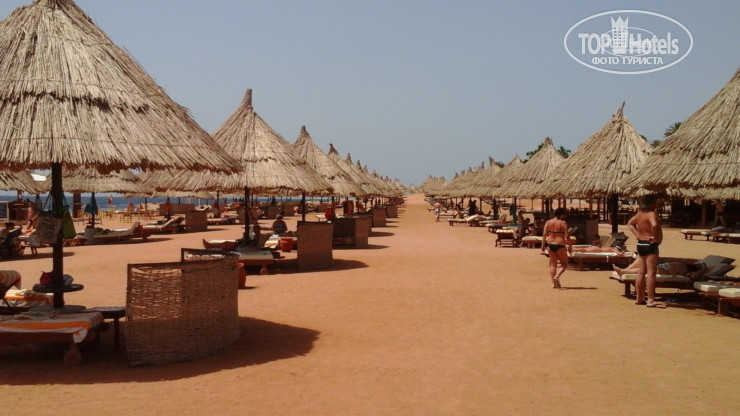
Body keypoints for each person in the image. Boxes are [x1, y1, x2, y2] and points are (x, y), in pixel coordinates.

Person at [627, 194, 665, 308]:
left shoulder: (640, 214)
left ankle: (639, 298)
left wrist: (638, 235)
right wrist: (654, 236)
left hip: (640, 244)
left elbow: (630, 223)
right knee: (651, 273)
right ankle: (650, 300)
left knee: (641, 272)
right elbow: (654, 224)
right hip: (649, 244)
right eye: (656, 201)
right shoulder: (651, 213)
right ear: (652, 203)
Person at [541, 208, 570, 289]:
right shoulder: (563, 222)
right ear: (562, 214)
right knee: (564, 264)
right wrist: (570, 245)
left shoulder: (548, 222)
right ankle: (557, 276)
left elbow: (544, 234)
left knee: (553, 264)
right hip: (560, 244)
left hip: (550, 244)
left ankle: (553, 284)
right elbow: (567, 235)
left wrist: (543, 245)